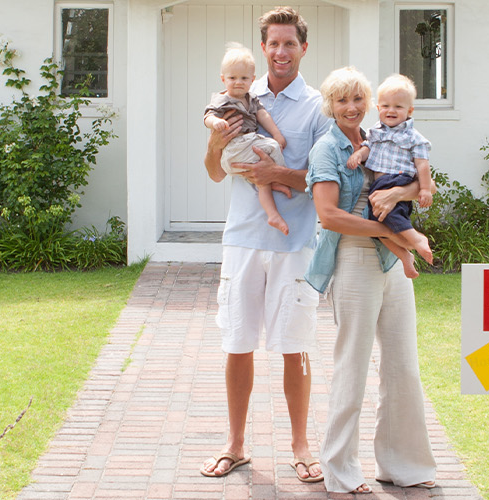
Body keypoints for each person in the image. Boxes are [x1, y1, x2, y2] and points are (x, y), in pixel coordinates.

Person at [199, 6, 330, 484]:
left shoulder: (318, 106)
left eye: (289, 43)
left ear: (303, 48)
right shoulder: (236, 95)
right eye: (273, 43)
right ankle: (235, 445)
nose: (280, 52)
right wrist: (218, 142)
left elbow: (325, 178)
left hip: (295, 243)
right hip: (242, 240)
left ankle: (300, 445)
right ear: (264, 48)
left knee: (294, 346)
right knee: (237, 342)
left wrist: (278, 174)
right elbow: (215, 170)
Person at [305, 67, 438, 495]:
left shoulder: (382, 136)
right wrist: (387, 231)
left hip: (392, 263)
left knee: (403, 367)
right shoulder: (326, 149)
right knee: (352, 366)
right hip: (355, 258)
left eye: (357, 99)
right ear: (330, 105)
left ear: (369, 102)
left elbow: (418, 181)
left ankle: (405, 465)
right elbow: (329, 216)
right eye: (341, 100)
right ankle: (341, 469)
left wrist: (398, 196)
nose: (351, 107)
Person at [344, 74, 435, 278]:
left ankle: (417, 239)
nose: (391, 111)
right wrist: (358, 154)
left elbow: (422, 165)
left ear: (409, 111)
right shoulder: (375, 132)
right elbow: (367, 148)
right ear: (378, 109)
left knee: (392, 216)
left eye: (398, 107)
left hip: (398, 179)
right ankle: (404, 257)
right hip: (379, 185)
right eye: (385, 106)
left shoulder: (413, 138)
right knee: (377, 226)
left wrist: (425, 189)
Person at [204, 43, 293, 235]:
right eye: (232, 78)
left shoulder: (251, 99)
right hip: (234, 148)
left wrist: (277, 133)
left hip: (245, 149)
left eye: (244, 78)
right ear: (223, 79)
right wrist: (215, 122)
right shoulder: (222, 100)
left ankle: (272, 212)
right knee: (271, 146)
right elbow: (207, 116)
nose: (238, 82)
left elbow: (263, 116)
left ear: (252, 79)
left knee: (262, 179)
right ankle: (279, 176)